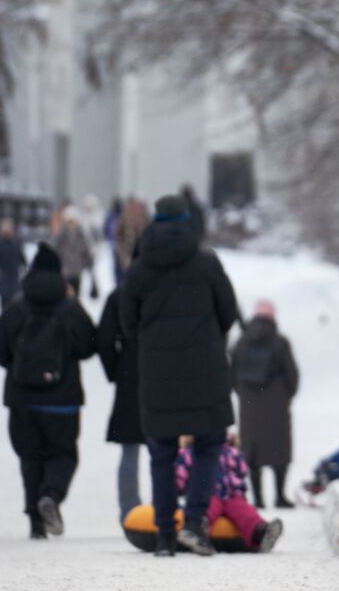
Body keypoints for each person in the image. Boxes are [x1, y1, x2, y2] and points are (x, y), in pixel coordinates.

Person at [120, 194, 239, 558]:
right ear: (188, 220)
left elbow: (128, 323)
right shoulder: (206, 262)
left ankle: (165, 538)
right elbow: (228, 312)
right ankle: (194, 523)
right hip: (205, 371)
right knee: (207, 444)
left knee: (161, 453)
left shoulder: (139, 269)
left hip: (158, 374)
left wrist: (154, 344)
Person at [0, 243, 97, 539]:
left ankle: (35, 524)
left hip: (22, 400)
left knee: (30, 458)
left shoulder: (16, 306)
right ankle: (51, 494)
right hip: (62, 401)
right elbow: (90, 346)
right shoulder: (69, 308)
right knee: (63, 454)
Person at [230, 299, 300, 509]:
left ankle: (258, 499)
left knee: (252, 452)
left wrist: (243, 394)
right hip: (276, 404)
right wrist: (285, 395)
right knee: (279, 449)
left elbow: (231, 374)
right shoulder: (280, 342)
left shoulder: (240, 343)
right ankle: (279, 496)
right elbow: (292, 374)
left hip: (250, 406)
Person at [175, 431, 283, 553]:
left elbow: (242, 470)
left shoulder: (232, 451)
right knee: (207, 508)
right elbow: (180, 476)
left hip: (233, 495)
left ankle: (261, 532)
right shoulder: (189, 452)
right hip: (209, 494)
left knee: (244, 511)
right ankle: (198, 530)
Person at [96, 281, 145, 522]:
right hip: (169, 371)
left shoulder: (122, 293)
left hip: (131, 373)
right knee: (170, 448)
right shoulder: (172, 288)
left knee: (130, 448)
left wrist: (116, 370)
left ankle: (131, 511)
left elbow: (104, 338)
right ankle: (169, 507)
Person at [52, 207, 96, 301]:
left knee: (76, 297)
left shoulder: (81, 234)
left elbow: (86, 251)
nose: (71, 224)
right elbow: (55, 250)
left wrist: (90, 264)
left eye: (73, 221)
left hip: (77, 271)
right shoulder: (61, 235)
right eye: (69, 221)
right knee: (65, 297)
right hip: (65, 272)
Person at [0, 218, 27, 312]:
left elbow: (22, 257)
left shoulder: (16, 243)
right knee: (4, 301)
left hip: (14, 277)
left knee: (14, 300)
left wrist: (24, 266)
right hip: (3, 279)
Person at [115, 197, 151, 277]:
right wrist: (123, 256)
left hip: (141, 256)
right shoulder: (123, 218)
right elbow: (119, 236)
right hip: (127, 255)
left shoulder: (146, 219)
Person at [104, 198, 124, 284]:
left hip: (118, 245)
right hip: (115, 244)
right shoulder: (112, 216)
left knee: (119, 265)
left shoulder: (119, 216)